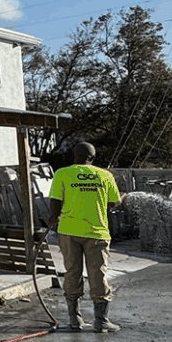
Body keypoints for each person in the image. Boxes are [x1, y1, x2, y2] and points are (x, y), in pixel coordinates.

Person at [48, 142, 121, 332]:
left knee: (72, 272)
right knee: (98, 274)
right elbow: (114, 202)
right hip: (97, 232)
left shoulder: (62, 173)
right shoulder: (105, 175)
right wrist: (121, 197)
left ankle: (75, 320)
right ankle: (101, 321)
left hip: (69, 231)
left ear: (74, 156)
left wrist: (54, 218)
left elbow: (55, 200)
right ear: (93, 158)